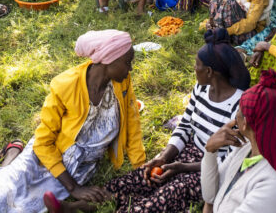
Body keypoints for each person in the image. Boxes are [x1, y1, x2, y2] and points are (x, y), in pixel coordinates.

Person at [0, 30, 145, 213]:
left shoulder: (122, 82)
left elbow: (132, 123)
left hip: (81, 162)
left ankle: (67, 207)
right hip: (48, 153)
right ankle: (13, 150)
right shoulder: (65, 85)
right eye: (127, 63)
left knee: (28, 204)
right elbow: (43, 142)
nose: (130, 69)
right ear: (108, 59)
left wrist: (140, 168)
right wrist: (74, 188)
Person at [99, 29, 250, 213]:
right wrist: (164, 157)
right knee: (136, 179)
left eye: (197, 64)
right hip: (188, 155)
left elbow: (230, 162)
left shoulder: (239, 108)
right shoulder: (202, 89)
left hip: (210, 171)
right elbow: (185, 126)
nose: (194, 68)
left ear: (209, 72)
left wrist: (182, 168)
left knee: (165, 195)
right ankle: (87, 204)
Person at [201, 71, 276, 213]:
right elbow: (210, 197)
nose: (235, 118)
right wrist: (210, 151)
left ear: (244, 123)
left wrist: (210, 207)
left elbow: (210, 203)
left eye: (238, 112)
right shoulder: (247, 149)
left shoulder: (275, 185)